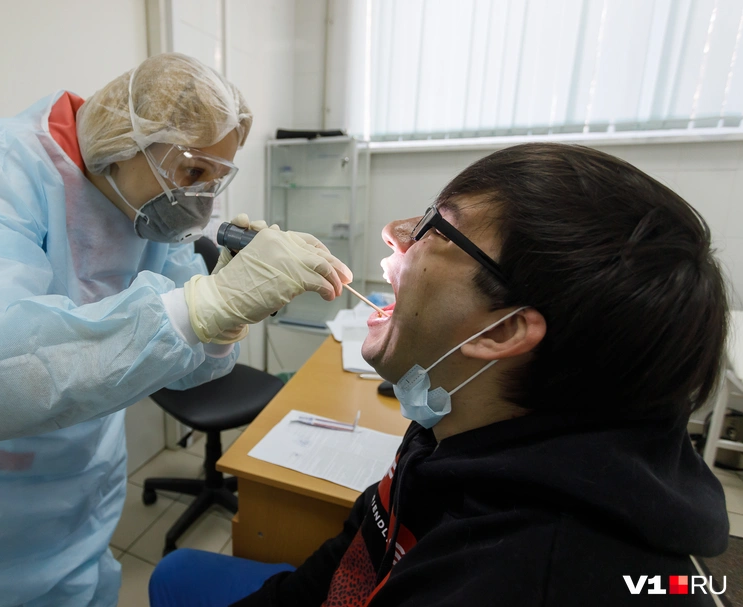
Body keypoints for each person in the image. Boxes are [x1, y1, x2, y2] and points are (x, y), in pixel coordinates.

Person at [0, 53, 351, 607]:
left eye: (216, 178)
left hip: (78, 482)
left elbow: (184, 368)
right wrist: (204, 304)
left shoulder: (150, 214)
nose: (203, 201)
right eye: (193, 172)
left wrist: (224, 312)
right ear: (129, 143)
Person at [148, 143, 730, 606]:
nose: (395, 231)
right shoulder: (454, 415)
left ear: (502, 331)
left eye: (437, 227)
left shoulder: (521, 576)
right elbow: (357, 554)